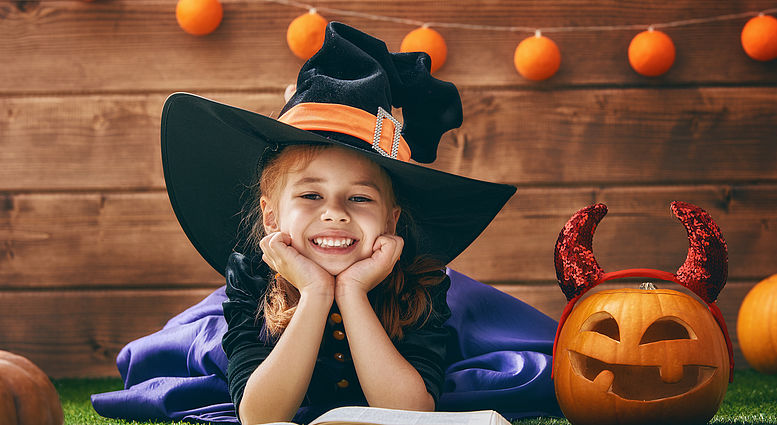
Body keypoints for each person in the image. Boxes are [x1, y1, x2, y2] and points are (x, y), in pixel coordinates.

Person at [91, 22, 562, 424]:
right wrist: (316, 292)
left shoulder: (420, 284)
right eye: (310, 195)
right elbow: (260, 415)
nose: (334, 212)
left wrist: (353, 292)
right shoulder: (252, 280)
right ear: (270, 213)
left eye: (359, 197)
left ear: (391, 218)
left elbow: (410, 412)